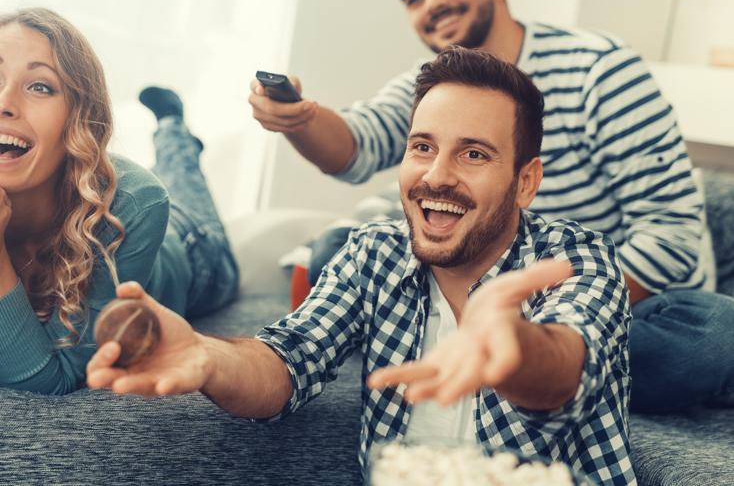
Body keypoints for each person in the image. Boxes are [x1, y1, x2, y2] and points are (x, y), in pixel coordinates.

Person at [249, 0, 734, 413]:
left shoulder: (601, 70)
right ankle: (485, 355)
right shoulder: (434, 83)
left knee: (716, 332)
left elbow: (671, 235)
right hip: (471, 292)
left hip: (608, 301)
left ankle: (495, 356)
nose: (432, 3)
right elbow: (354, 146)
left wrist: (536, 322)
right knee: (335, 248)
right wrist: (298, 119)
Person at [89, 49, 636, 486]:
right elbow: (288, 361)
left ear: (525, 181)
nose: (436, 176)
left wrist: (512, 346)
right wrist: (206, 356)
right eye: (423, 147)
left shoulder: (577, 262)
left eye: (473, 154)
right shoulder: (373, 253)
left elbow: (563, 369)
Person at [0, 7, 238, 394]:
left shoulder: (136, 203)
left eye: (40, 87)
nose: (3, 103)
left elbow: (50, 378)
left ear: (77, 123)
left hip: (192, 252)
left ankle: (173, 128)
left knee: (181, 180)